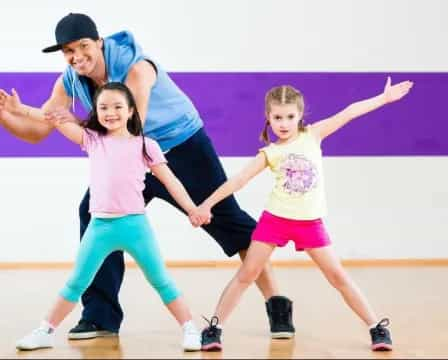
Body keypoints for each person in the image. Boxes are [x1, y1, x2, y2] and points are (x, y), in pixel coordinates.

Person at [0, 13, 294, 339]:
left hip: (181, 147)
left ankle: (277, 303)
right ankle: (100, 318)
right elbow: (37, 132)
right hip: (128, 158)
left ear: (99, 42)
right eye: (68, 51)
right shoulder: (69, 79)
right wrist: (7, 114)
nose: (76, 56)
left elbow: (130, 127)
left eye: (83, 46)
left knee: (226, 219)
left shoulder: (137, 68)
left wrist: (56, 118)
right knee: (96, 214)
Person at [197, 78, 414, 351]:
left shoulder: (313, 135)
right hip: (275, 220)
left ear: (300, 115)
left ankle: (376, 328)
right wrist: (206, 205)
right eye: (277, 117)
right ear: (268, 117)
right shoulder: (270, 152)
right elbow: (238, 180)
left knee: (338, 276)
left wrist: (383, 99)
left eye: (289, 116)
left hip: (309, 222)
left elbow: (348, 112)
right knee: (247, 273)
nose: (284, 123)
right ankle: (214, 328)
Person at [15, 82, 211, 351]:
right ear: (96, 111)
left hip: (135, 226)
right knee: (76, 282)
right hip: (100, 227)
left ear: (131, 110)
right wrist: (20, 110)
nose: (111, 112)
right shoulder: (92, 140)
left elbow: (171, 182)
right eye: (103, 107)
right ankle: (45, 331)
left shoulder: (146, 145)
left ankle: (190, 329)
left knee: (161, 280)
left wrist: (192, 209)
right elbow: (53, 117)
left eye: (118, 106)